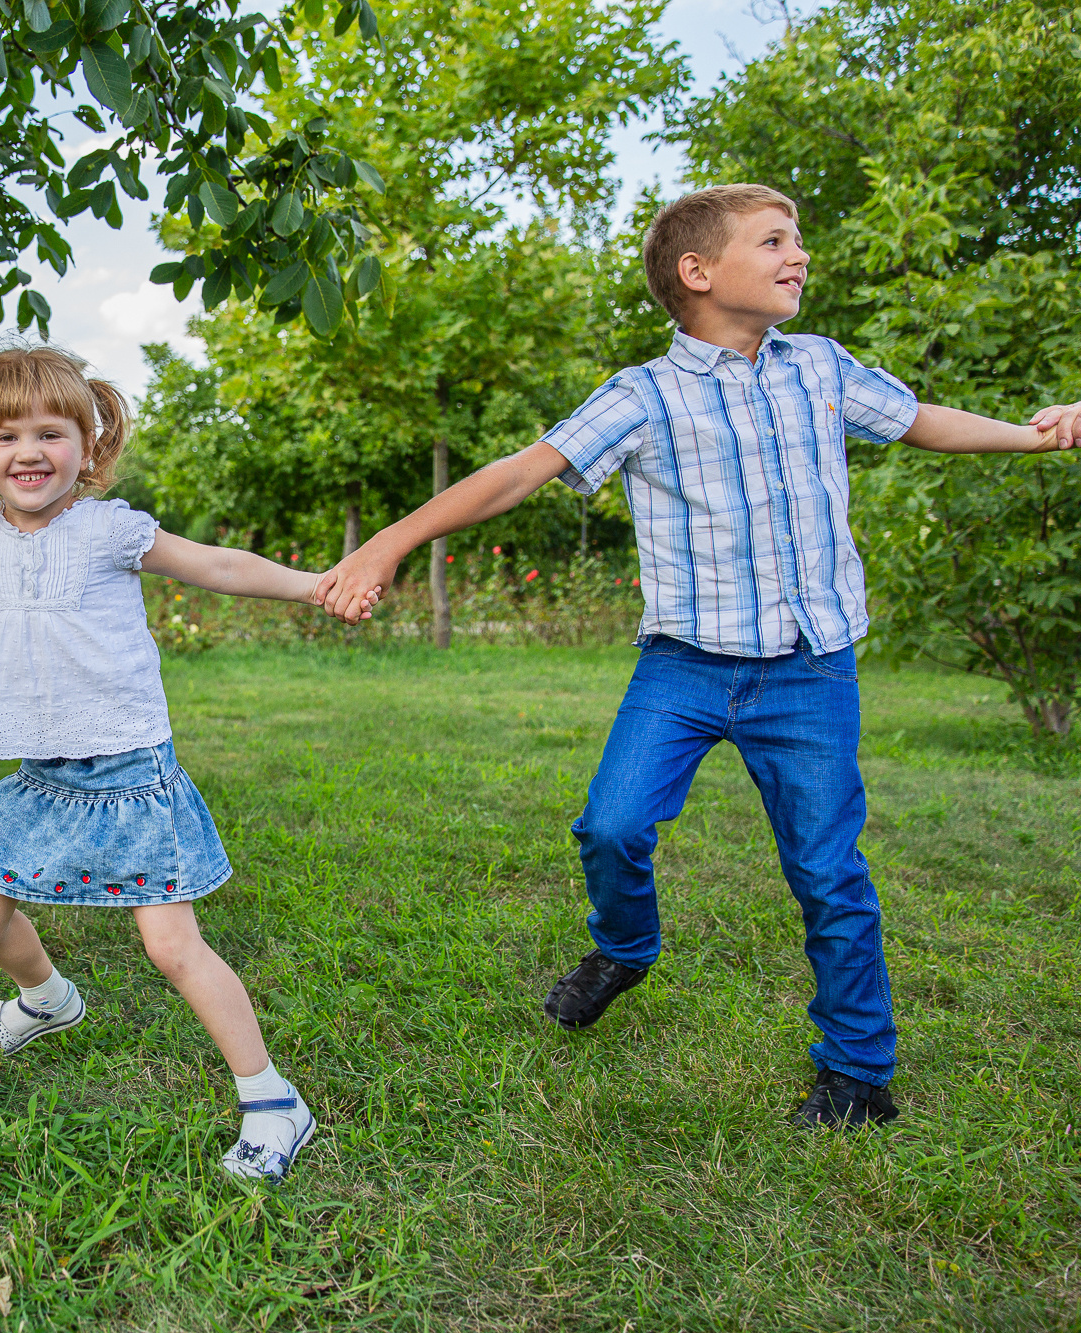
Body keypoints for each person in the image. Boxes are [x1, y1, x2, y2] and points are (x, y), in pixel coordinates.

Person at [314, 184, 1075, 1129]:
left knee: (829, 871)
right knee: (611, 826)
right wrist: (387, 543)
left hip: (810, 672)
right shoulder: (643, 396)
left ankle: (857, 1072)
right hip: (683, 668)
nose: (800, 254)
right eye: (775, 241)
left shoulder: (824, 369)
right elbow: (520, 472)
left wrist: (1039, 435)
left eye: (799, 238)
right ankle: (624, 949)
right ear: (699, 271)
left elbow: (922, 418)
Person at [0, 343, 371, 1179]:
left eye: (51, 433)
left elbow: (219, 564)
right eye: (6, 435)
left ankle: (274, 1100)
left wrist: (315, 584)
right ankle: (49, 1000)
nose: (28, 452)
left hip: (129, 773)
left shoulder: (109, 530)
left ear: (88, 447)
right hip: (42, 777)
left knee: (172, 947)